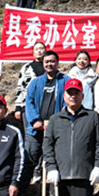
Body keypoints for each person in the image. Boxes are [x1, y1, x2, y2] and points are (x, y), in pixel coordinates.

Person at [24, 50, 69, 183]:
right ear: (43, 63)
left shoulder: (66, 80)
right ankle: (29, 182)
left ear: (57, 62)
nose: (49, 64)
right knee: (31, 153)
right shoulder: (35, 82)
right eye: (47, 62)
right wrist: (35, 120)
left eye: (52, 61)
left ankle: (54, 182)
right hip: (36, 128)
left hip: (57, 127)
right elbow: (29, 102)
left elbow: (69, 101)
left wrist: (61, 117)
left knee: (55, 156)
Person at [14, 41, 46, 125]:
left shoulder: (49, 67)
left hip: (46, 105)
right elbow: (20, 87)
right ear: (33, 52)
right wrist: (18, 108)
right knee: (30, 130)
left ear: (45, 51)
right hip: (28, 105)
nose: (39, 51)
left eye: (41, 48)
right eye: (36, 49)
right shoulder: (26, 67)